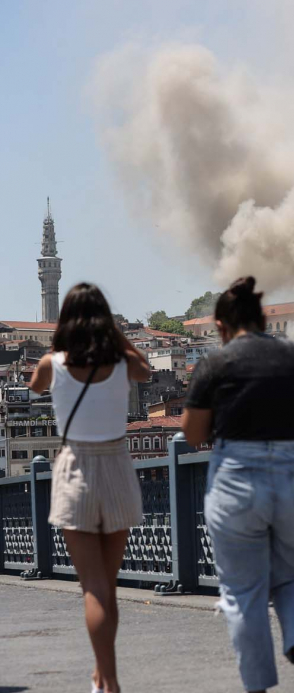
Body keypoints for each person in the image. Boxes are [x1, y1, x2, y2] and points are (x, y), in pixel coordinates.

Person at [181, 277, 294, 693]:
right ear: (263, 319)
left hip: (238, 477)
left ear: (223, 326)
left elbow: (192, 435)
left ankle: (259, 687)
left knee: (243, 591)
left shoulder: (215, 363)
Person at [29, 283, 152, 693]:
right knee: (109, 585)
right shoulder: (121, 362)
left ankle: (108, 679)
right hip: (117, 466)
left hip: (76, 467)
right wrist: (116, 333)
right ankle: (104, 675)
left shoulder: (53, 364)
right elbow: (146, 369)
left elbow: (33, 386)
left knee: (92, 588)